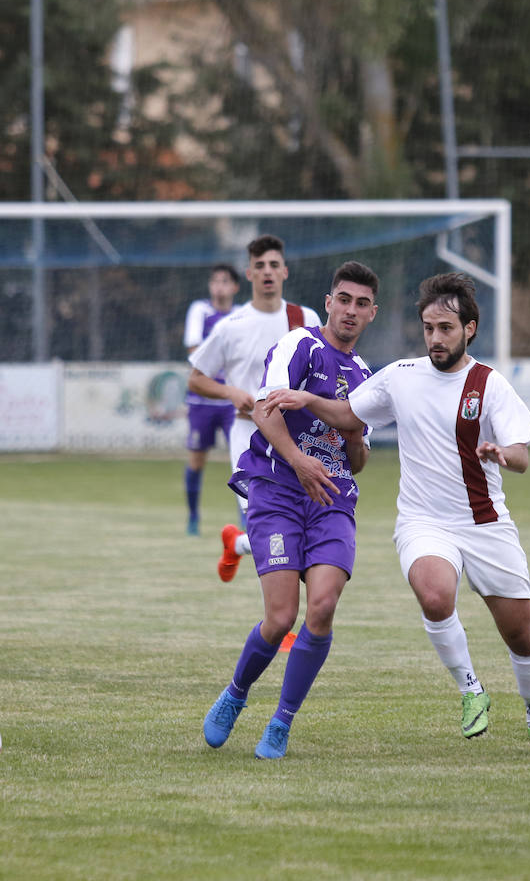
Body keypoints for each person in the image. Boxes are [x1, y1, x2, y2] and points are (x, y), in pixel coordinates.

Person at [264, 271, 530, 756]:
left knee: (520, 634)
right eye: (428, 328)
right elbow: (348, 415)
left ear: (469, 328)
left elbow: (522, 454)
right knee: (433, 594)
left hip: (485, 523)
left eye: (446, 328)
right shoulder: (401, 377)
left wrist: (503, 454)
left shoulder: (489, 384)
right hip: (424, 522)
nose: (435, 338)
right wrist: (307, 399)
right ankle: (472, 691)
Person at [202, 261, 379, 759]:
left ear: (372, 314)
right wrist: (300, 462)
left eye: (361, 304)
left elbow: (360, 461)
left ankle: (281, 722)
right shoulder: (299, 345)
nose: (350, 310)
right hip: (277, 486)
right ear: (328, 301)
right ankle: (236, 694)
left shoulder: (367, 377)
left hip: (332, 499)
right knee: (281, 617)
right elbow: (265, 409)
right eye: (343, 299)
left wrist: (353, 436)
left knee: (321, 608)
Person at [188, 234, 321, 581]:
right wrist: (231, 392)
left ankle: (236, 545)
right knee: (269, 531)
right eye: (259, 266)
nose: (267, 272)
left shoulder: (304, 318)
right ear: (248, 274)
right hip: (250, 436)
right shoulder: (230, 327)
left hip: (299, 437)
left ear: (285, 272)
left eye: (273, 265)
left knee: (302, 532)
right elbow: (196, 379)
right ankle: (282, 629)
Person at [182, 264, 241, 535]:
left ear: (235, 287)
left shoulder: (242, 315)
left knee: (242, 461)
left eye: (225, 281)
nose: (219, 286)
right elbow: (194, 350)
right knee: (196, 460)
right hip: (201, 399)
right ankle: (193, 517)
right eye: (215, 281)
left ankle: (247, 517)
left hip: (232, 402)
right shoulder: (200, 310)